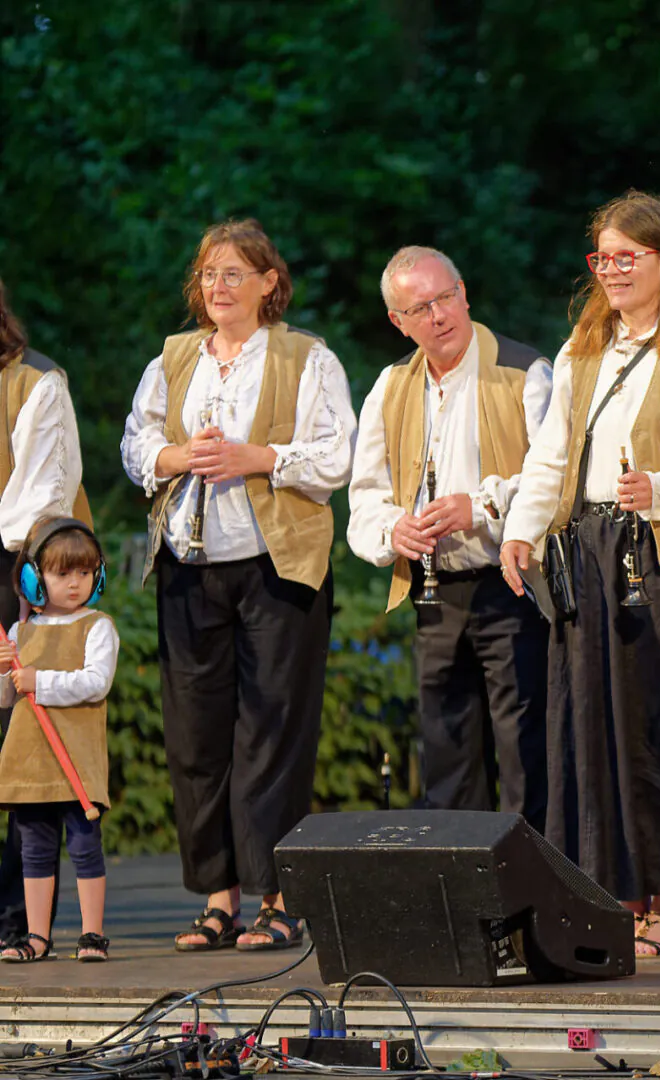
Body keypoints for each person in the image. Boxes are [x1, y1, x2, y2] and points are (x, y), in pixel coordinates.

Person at [500, 191, 660, 959]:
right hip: (588, 551)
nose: (609, 271)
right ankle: (614, 898)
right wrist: (521, 530)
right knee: (588, 727)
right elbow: (551, 454)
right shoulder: (584, 350)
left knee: (653, 730)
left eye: (624, 257)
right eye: (600, 258)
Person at [120, 219, 356, 952]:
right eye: (208, 274)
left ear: (268, 284)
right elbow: (134, 444)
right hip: (189, 567)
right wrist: (172, 456)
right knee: (196, 737)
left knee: (271, 733)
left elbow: (335, 456)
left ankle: (276, 899)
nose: (218, 286)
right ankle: (217, 897)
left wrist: (260, 456)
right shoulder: (172, 359)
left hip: (274, 567)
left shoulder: (305, 356)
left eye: (233, 273)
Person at [348, 246, 551, 821]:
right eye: (421, 307)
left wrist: (482, 506)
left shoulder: (524, 371)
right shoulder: (389, 388)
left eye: (447, 297)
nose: (439, 315)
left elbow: (553, 479)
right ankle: (463, 906)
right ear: (398, 322)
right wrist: (395, 530)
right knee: (447, 752)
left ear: (464, 293)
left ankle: (530, 900)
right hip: (433, 592)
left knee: (523, 755)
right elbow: (364, 500)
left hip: (513, 588)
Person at [0, 278, 89, 948]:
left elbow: (38, 505)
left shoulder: (35, 385)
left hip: (16, 575)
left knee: (14, 753)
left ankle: (13, 918)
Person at [0, 519, 117, 963]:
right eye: (62, 574)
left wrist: (37, 678)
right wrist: (4, 673)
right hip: (31, 763)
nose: (75, 583)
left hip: (77, 761)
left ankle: (92, 935)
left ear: (98, 576)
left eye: (85, 573)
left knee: (85, 847)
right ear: (33, 579)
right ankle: (36, 936)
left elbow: (95, 682)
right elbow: (8, 698)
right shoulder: (21, 633)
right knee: (35, 852)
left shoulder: (98, 627)